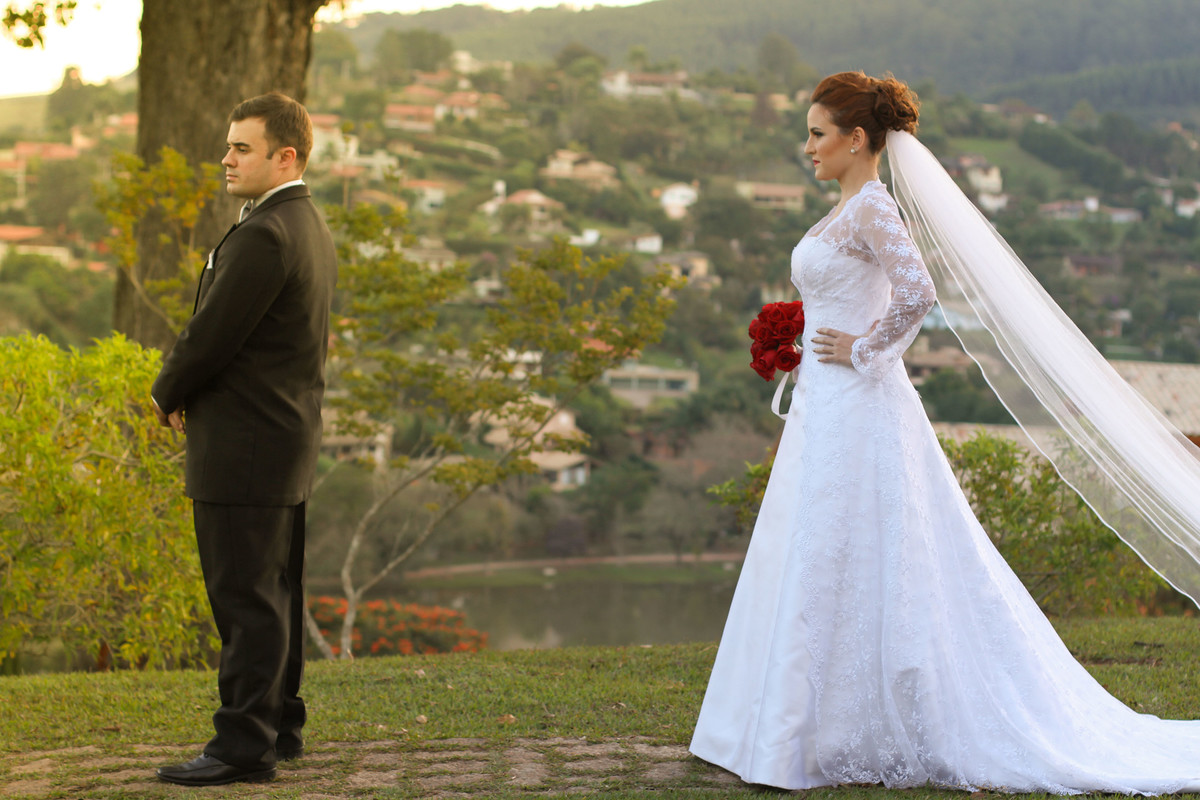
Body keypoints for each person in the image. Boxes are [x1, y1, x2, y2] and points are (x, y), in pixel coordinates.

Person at [689, 71, 1200, 792]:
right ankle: (790, 723)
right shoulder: (847, 208)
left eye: (815, 133)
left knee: (853, 544)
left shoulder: (871, 207)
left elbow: (919, 290)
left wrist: (863, 349)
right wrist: (809, 338)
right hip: (826, 404)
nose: (805, 146)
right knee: (820, 546)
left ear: (856, 138)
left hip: (858, 402)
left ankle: (819, 728)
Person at [150, 92, 337, 787]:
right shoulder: (305, 223)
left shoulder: (267, 233)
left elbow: (213, 334)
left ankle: (242, 747)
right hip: (283, 440)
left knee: (245, 598)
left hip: (247, 447)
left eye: (242, 148)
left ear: (284, 155)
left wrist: (167, 390)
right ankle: (278, 724)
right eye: (229, 145)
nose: (225, 158)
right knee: (275, 591)